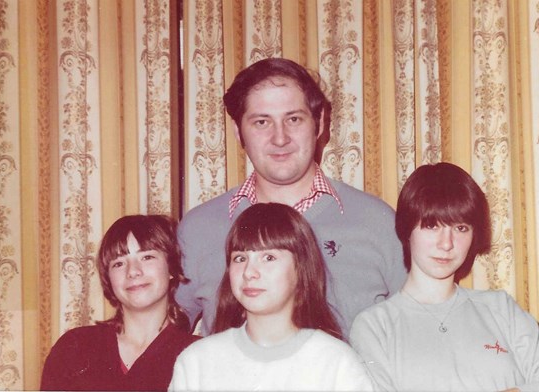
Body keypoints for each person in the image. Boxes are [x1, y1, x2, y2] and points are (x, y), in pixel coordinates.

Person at [176, 57, 406, 337]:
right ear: (239, 133)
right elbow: (161, 336)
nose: (280, 138)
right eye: (262, 122)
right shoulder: (199, 228)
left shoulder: (377, 222)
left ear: (319, 124)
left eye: (294, 119)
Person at [349, 162, 539, 391]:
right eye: (432, 226)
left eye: (460, 228)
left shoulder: (502, 309)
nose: (446, 244)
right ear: (406, 230)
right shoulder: (375, 327)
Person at [170, 203, 373, 391]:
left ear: (301, 268)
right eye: (240, 258)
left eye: (269, 258)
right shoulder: (197, 362)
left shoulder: (337, 363)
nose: (249, 272)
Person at [40, 215, 199, 391]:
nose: (133, 271)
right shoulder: (74, 347)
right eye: (119, 263)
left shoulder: (200, 355)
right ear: (108, 278)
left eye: (147, 257)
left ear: (171, 268)